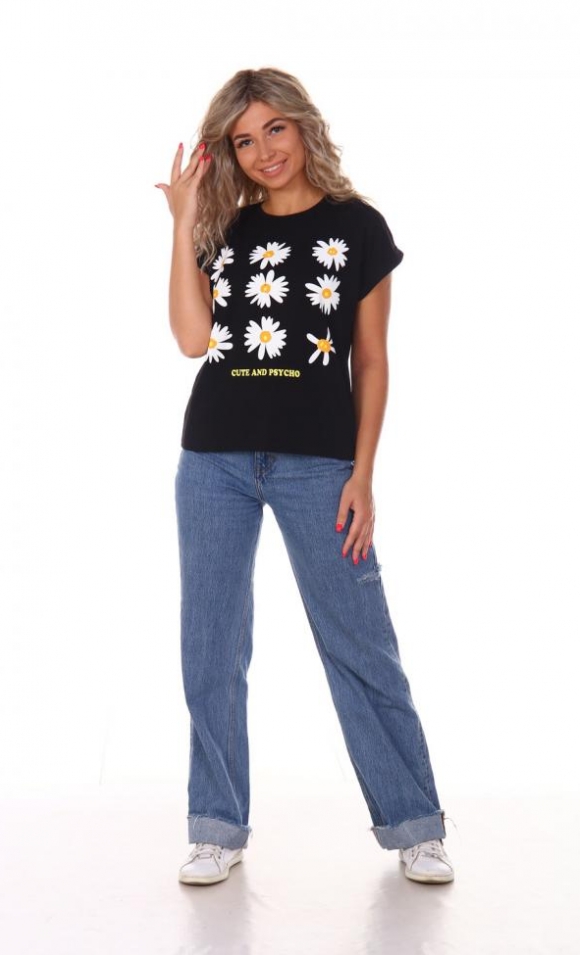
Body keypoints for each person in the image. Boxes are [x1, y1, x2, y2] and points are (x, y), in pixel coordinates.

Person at [155, 67, 455, 887]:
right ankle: (215, 826)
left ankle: (415, 825)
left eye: (274, 129)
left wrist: (363, 473)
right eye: (245, 140)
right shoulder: (224, 228)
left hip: (319, 463)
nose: (264, 151)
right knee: (211, 646)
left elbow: (373, 358)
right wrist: (183, 221)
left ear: (302, 125)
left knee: (360, 644)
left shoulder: (358, 227)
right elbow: (191, 340)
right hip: (212, 459)